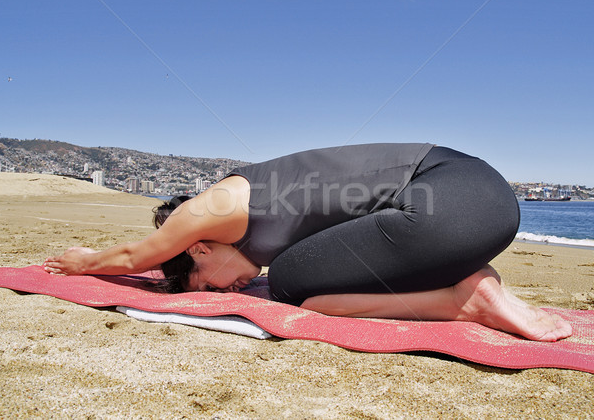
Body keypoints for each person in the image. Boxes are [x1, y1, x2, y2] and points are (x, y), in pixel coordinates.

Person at [44, 143, 572, 342]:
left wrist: (85, 262)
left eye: (209, 285)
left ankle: (464, 300)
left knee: (292, 284)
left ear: (199, 248)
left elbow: (138, 256)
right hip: (490, 203)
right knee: (308, 273)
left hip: (446, 204)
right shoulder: (272, 213)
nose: (233, 289)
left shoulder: (208, 210)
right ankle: (473, 283)